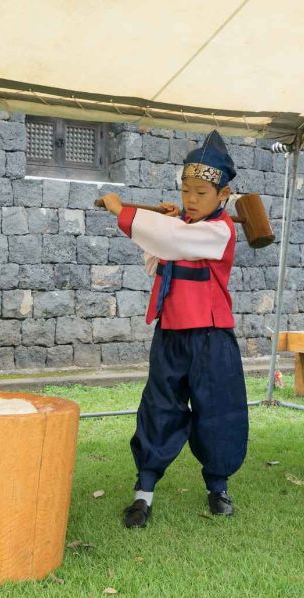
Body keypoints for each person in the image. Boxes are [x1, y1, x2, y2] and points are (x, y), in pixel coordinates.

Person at [98, 130, 249, 527]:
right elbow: (160, 252)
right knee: (158, 409)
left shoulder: (220, 232)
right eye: (186, 191)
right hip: (171, 334)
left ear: (224, 195)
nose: (192, 200)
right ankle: (142, 494)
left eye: (202, 192)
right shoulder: (181, 225)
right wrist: (163, 221)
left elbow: (175, 240)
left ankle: (218, 488)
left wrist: (124, 213)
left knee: (217, 413)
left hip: (211, 338)